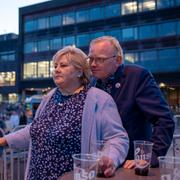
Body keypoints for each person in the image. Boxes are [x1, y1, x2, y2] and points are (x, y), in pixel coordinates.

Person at [0, 46, 129, 179]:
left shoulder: (99, 99)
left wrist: (109, 159)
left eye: (63, 65)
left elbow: (117, 138)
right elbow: (35, 130)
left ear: (79, 71)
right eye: (55, 66)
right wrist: (4, 140)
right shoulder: (49, 97)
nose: (56, 69)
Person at [89, 36, 175, 168]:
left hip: (130, 165)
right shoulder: (93, 83)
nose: (93, 64)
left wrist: (151, 156)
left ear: (117, 60)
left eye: (100, 59)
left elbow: (164, 120)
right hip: (101, 163)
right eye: (91, 59)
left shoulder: (137, 76)